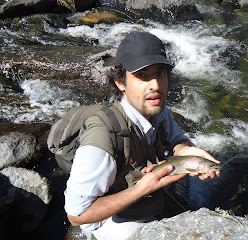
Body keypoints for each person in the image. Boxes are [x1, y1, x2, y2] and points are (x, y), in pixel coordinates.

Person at [64, 31, 220, 239]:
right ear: (120, 83)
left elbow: (175, 140)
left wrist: (187, 150)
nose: (155, 85)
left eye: (160, 73)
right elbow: (77, 213)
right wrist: (141, 189)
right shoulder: (101, 136)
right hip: (104, 216)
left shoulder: (156, 107)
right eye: (142, 76)